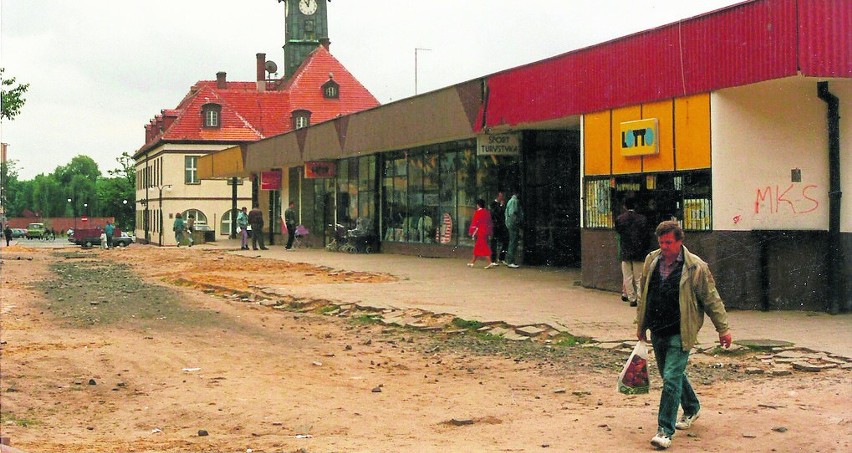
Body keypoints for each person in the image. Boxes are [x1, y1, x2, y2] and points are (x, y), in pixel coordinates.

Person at [635, 220, 732, 450]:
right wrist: (641, 324)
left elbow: (711, 299)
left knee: (670, 378)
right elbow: (644, 294)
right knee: (673, 375)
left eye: (668, 242)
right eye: (661, 242)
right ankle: (692, 408)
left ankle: (664, 431)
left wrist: (723, 329)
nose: (664, 246)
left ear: (679, 241)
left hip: (682, 331)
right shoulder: (652, 260)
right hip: (658, 329)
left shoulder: (696, 267)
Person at [615, 198, 649, 307]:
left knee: (627, 277)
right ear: (636, 206)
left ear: (624, 206)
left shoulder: (620, 219)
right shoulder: (642, 219)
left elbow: (619, 232)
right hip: (639, 251)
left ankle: (631, 298)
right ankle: (640, 298)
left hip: (625, 251)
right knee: (639, 277)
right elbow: (645, 235)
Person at [467, 198, 496, 269]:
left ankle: (489, 262)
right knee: (478, 247)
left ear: (478, 205)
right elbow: (490, 223)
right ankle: (472, 262)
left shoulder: (477, 212)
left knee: (482, 247)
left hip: (479, 232)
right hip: (485, 231)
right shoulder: (487, 212)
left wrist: (471, 231)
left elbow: (474, 223)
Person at [504, 190, 522, 268]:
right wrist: (517, 222)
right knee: (513, 242)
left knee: (512, 241)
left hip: (510, 224)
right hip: (513, 225)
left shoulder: (510, 201)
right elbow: (512, 213)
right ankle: (510, 261)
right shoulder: (514, 201)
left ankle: (510, 260)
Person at [489, 191, 508, 265]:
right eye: (501, 196)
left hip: (501, 225)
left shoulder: (501, 205)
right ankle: (493, 260)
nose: (502, 198)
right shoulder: (493, 204)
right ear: (497, 196)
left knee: (505, 240)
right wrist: (500, 206)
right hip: (495, 226)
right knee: (494, 242)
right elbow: (496, 214)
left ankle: (501, 257)